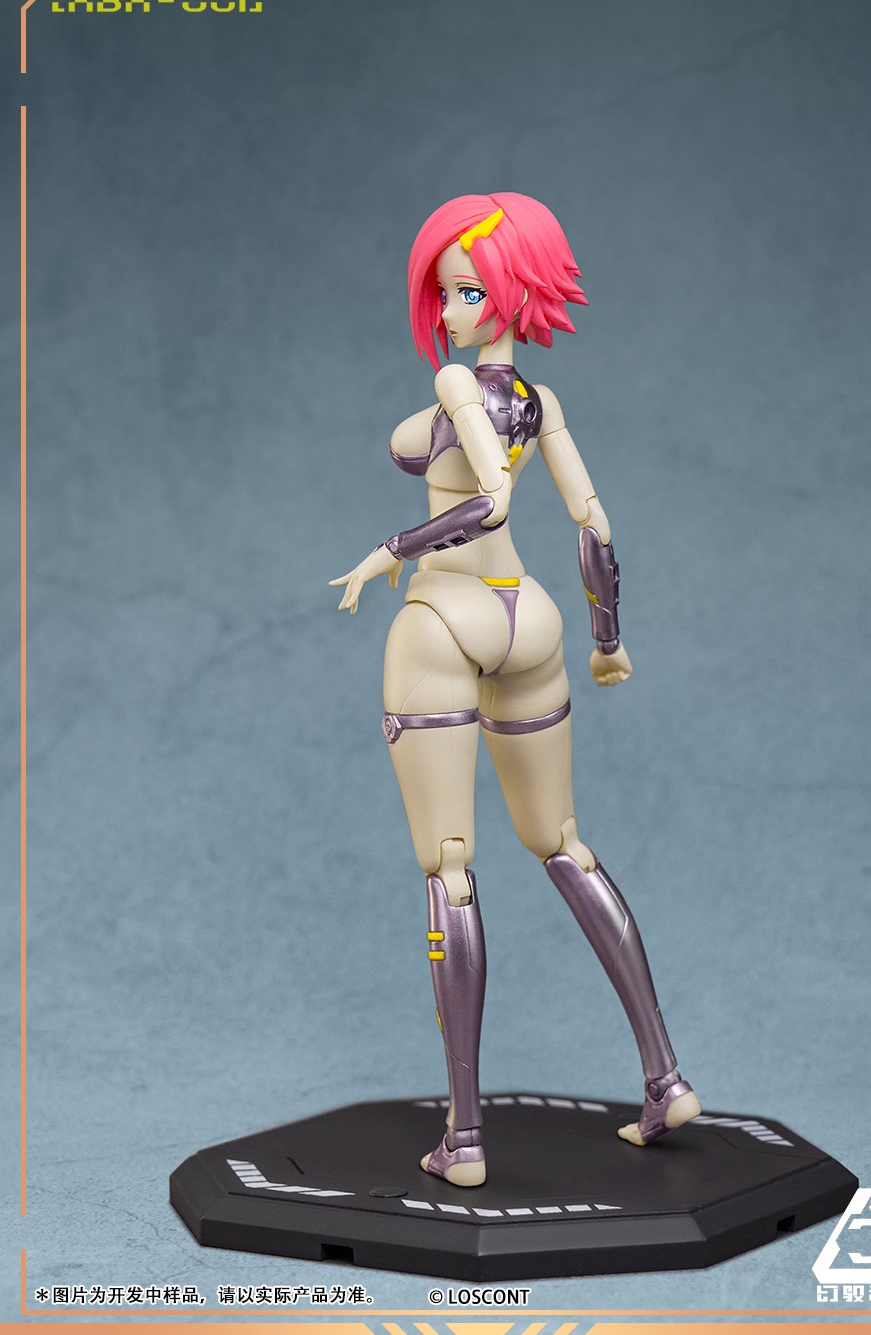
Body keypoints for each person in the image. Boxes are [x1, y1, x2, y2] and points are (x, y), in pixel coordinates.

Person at [332, 193, 699, 1188]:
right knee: (562, 843)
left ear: (507, 293)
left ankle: (464, 1137)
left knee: (449, 866)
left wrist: (388, 549)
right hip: (529, 617)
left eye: (467, 291)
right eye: (446, 292)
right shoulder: (542, 401)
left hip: (447, 615)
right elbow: (594, 522)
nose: (451, 311)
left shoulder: (457, 382)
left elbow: (489, 498)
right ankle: (664, 1076)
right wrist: (607, 640)